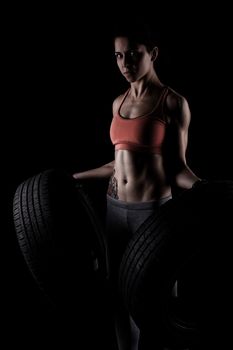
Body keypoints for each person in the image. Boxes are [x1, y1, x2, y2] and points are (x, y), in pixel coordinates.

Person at [73, 21, 201, 350]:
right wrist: (73, 178)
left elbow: (177, 169)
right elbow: (118, 163)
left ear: (153, 54)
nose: (125, 64)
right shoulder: (118, 103)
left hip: (153, 214)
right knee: (118, 295)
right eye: (118, 56)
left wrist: (202, 187)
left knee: (155, 301)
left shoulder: (172, 103)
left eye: (133, 55)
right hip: (115, 211)